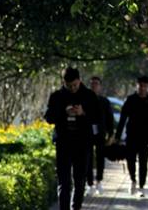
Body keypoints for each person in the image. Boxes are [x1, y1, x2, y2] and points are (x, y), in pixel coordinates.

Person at [44, 67, 97, 210]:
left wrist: (83, 112)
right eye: (69, 86)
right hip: (63, 143)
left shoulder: (89, 95)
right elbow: (48, 118)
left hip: (83, 143)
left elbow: (97, 117)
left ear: (80, 80)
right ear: (64, 82)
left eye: (75, 85)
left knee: (80, 181)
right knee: (64, 182)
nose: (73, 88)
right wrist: (63, 112)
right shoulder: (57, 96)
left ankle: (76, 207)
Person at [115, 75, 148, 197]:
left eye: (145, 86)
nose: (142, 88)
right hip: (131, 135)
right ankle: (133, 180)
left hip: (146, 137)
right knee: (130, 160)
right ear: (137, 86)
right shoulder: (130, 100)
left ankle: (141, 186)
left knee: (143, 163)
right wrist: (117, 137)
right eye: (140, 85)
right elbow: (123, 119)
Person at [86, 76, 114, 196]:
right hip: (87, 133)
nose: (94, 86)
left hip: (100, 133)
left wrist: (111, 134)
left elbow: (110, 119)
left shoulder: (104, 101)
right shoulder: (84, 100)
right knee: (88, 158)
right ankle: (90, 184)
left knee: (100, 157)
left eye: (96, 84)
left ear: (100, 86)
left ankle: (99, 181)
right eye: (92, 84)